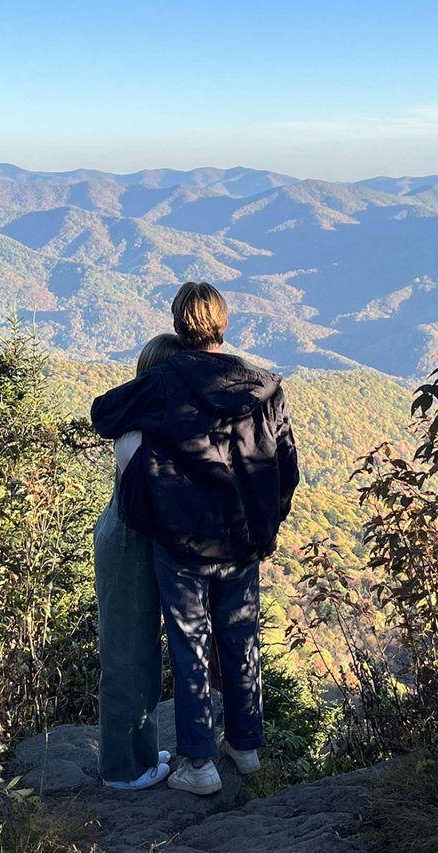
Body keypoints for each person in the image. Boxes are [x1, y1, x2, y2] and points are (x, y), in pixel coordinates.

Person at [91, 282, 299, 796]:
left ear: (180, 324)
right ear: (223, 323)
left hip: (183, 542)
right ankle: (246, 748)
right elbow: (286, 466)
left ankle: (199, 765)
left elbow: (102, 414)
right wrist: (267, 527)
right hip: (243, 541)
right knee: (240, 636)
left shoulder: (164, 381)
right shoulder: (265, 385)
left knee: (190, 645)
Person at [94, 333, 182, 790]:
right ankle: (125, 769)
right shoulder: (137, 434)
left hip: (129, 540)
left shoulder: (142, 422)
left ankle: (142, 750)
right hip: (128, 545)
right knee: (127, 653)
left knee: (142, 648)